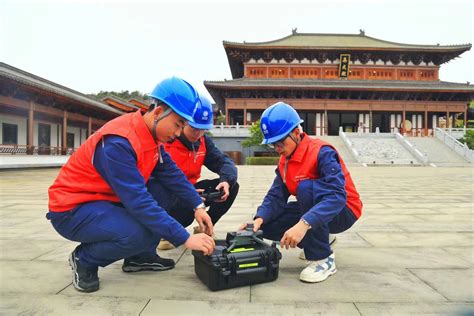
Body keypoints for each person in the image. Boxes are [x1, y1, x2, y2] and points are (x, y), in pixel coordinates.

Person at [46, 77, 216, 293]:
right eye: (178, 124)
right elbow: (138, 202)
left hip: (105, 201)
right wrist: (185, 238)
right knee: (139, 233)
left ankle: (139, 257)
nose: (178, 133)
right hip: (73, 210)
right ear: (158, 113)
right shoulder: (119, 142)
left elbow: (172, 174)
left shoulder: (152, 137)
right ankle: (84, 260)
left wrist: (197, 206)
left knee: (165, 191)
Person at [240, 102, 362, 283]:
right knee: (266, 224)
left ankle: (323, 259)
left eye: (280, 142)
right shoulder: (284, 161)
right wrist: (258, 220)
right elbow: (275, 196)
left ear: (296, 133)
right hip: (313, 208)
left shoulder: (322, 152)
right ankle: (322, 238)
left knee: (306, 188)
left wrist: (303, 225)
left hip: (344, 210)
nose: (277, 149)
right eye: (273, 144)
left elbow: (337, 196)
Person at [148, 94, 239, 250]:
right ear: (183, 122)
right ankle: (166, 232)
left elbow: (224, 162)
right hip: (169, 195)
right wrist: (188, 195)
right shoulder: (167, 137)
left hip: (191, 190)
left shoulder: (203, 142)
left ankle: (205, 226)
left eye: (202, 130)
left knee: (231, 186)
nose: (198, 134)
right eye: (194, 128)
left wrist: (226, 180)